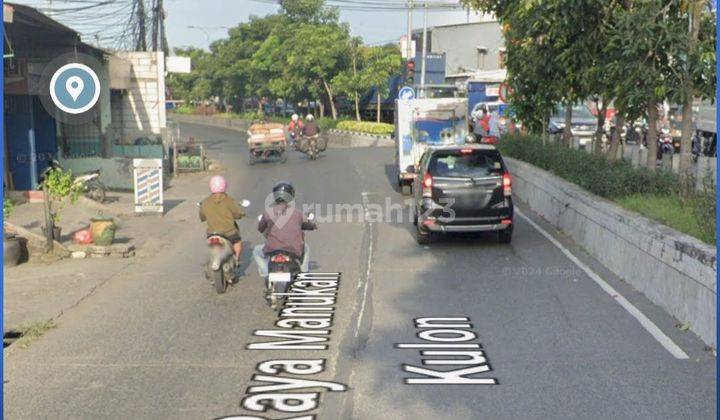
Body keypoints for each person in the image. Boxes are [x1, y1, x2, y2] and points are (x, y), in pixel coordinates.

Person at [253, 181, 314, 278]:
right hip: (293, 248)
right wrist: (313, 226)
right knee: (306, 248)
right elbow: (308, 225)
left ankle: (265, 274)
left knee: (256, 250)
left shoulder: (268, 213)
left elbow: (260, 228)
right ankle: (305, 273)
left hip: (272, 248)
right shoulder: (297, 213)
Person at [199, 175, 245, 264]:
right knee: (237, 241)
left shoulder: (205, 202)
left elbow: (202, 217)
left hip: (211, 233)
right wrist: (240, 215)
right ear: (225, 186)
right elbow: (237, 214)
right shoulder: (229, 200)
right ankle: (237, 260)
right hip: (229, 232)